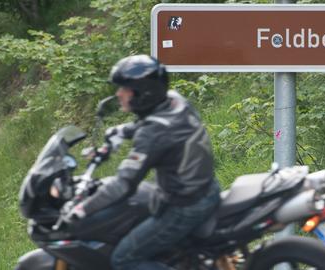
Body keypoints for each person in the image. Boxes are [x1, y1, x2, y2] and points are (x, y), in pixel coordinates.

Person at [63, 55, 221, 270]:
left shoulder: (153, 134)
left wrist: (83, 208)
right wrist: (123, 131)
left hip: (185, 205)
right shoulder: (175, 101)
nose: (119, 94)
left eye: (125, 89)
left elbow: (124, 184)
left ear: (143, 93)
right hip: (203, 189)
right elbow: (159, 125)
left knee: (124, 259)